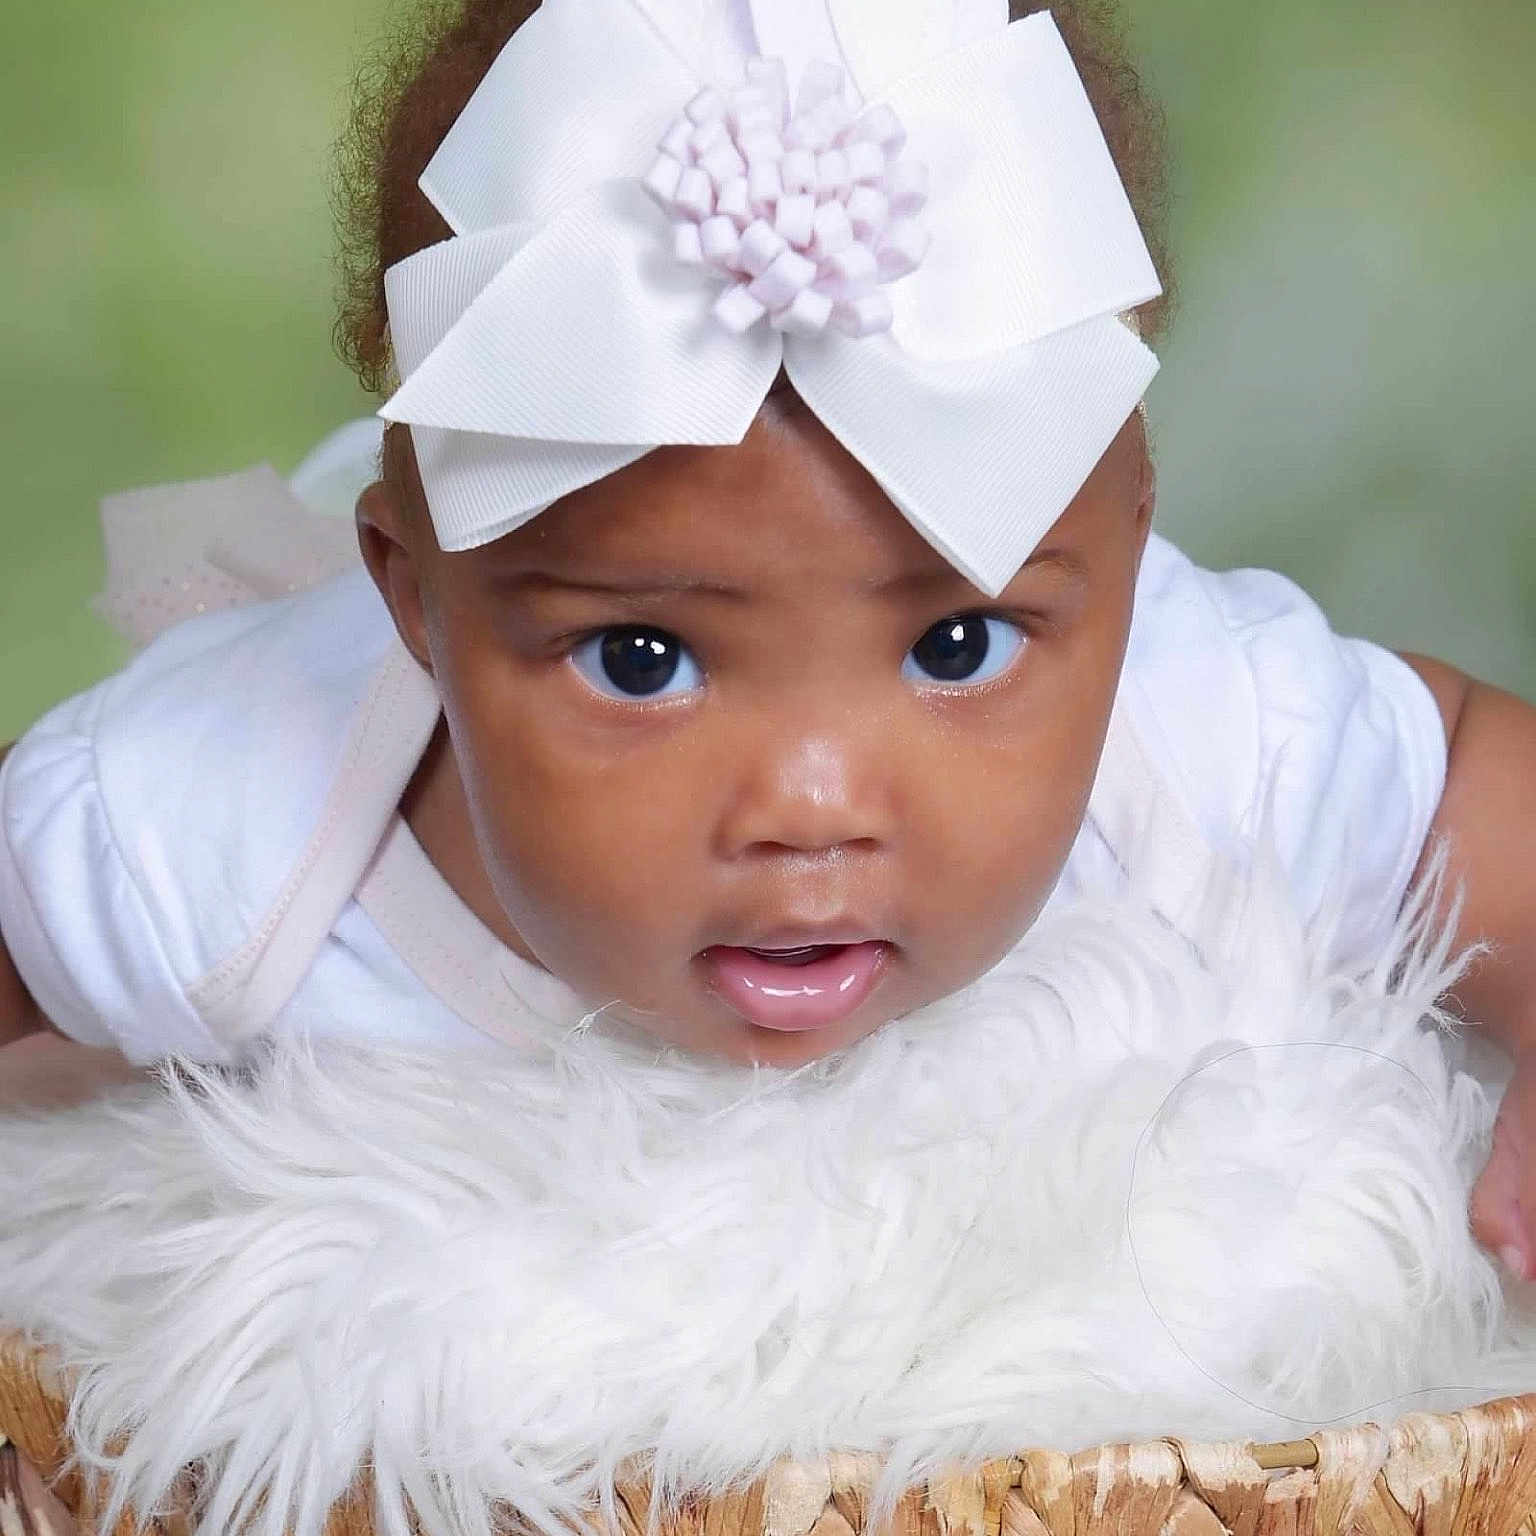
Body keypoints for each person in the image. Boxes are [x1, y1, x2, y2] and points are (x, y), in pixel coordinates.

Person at [2, 0, 1534, 1284]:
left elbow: (1464, 773)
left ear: (1125, 555)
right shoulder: (232, 831)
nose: (811, 805)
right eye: (642, 661)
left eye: (955, 645)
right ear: (419, 609)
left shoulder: (1191, 726)